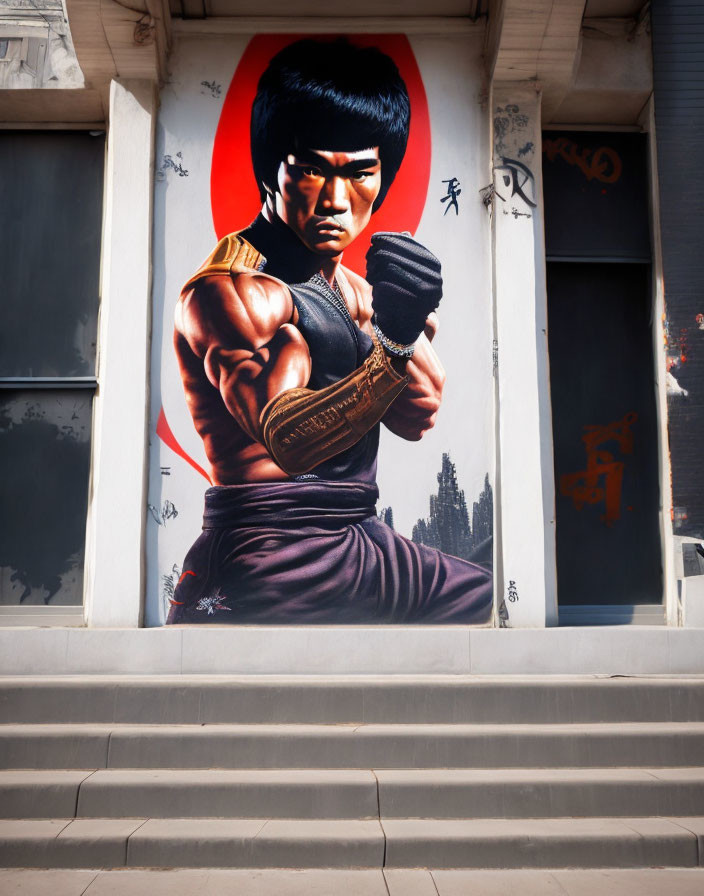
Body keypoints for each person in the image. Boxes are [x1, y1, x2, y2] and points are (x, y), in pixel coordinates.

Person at [166, 38, 492, 624]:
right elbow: (288, 441)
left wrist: (405, 318)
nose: (336, 201)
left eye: (361, 173)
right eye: (313, 170)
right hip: (271, 551)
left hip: (362, 538)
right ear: (273, 171)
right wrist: (390, 346)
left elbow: (419, 414)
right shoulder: (230, 295)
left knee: (488, 601)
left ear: (383, 178)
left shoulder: (356, 292)